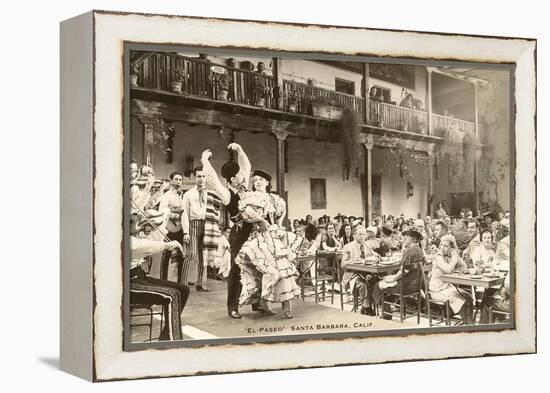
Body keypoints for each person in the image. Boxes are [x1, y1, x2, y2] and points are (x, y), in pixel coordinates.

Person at [235, 170, 303, 319]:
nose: (258, 182)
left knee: (283, 267)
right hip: (259, 236)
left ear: (267, 182)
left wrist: (278, 228)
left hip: (274, 235)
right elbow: (248, 213)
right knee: (266, 269)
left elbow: (279, 218)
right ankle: (264, 301)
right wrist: (261, 220)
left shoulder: (275, 199)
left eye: (261, 180)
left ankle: (286, 302)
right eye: (255, 180)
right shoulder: (251, 197)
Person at [199, 144, 254, 319]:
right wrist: (204, 161)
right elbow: (213, 180)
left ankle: (257, 303)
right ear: (231, 179)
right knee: (237, 268)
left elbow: (247, 166)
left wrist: (239, 150)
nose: (242, 176)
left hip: (254, 231)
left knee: (258, 265)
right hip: (239, 234)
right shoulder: (227, 194)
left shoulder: (244, 187)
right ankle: (232, 307)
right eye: (238, 175)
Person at [130, 212, 190, 341]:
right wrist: (167, 245)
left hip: (139, 276)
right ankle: (173, 341)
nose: (135, 223)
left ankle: (166, 337)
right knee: (172, 295)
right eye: (131, 221)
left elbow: (148, 242)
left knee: (183, 290)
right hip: (128, 283)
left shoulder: (131, 234)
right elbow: (138, 246)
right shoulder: (120, 237)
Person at [372, 229, 424, 320]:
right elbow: (406, 267)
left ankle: (386, 313)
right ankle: (388, 306)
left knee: (377, 285)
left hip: (403, 286)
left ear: (414, 239)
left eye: (407, 237)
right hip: (415, 286)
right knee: (386, 280)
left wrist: (393, 279)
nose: (404, 238)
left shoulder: (411, 251)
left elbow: (403, 271)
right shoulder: (419, 250)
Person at [181, 166, 216, 292]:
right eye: (199, 176)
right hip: (193, 224)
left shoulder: (210, 193)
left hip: (206, 225)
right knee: (191, 254)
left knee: (203, 256)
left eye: (203, 176)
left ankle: (200, 283)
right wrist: (186, 231)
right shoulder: (188, 194)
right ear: (194, 178)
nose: (201, 179)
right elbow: (184, 213)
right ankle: (183, 283)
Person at [429, 235, 473, 324]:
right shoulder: (438, 256)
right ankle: (468, 323)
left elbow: (464, 266)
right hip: (437, 291)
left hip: (448, 288)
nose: (442, 248)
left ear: (451, 248)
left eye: (445, 246)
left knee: (468, 297)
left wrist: (455, 255)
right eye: (441, 245)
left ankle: (468, 321)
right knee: (459, 300)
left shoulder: (450, 255)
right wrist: (454, 259)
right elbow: (448, 270)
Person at [340, 226, 379, 316]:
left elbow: (374, 254)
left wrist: (376, 255)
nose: (362, 236)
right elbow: (343, 265)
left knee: (376, 281)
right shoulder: (348, 247)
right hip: (352, 275)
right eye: (360, 234)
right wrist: (353, 261)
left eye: (363, 234)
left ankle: (373, 304)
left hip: (365, 272)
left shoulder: (366, 245)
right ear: (354, 235)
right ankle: (366, 307)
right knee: (363, 284)